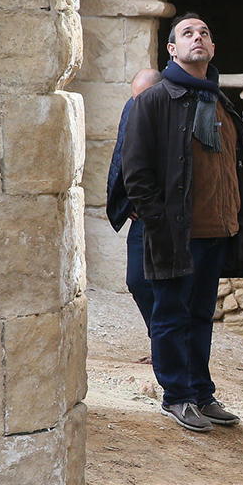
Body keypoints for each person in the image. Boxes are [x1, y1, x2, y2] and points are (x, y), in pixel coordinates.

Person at [123, 11, 243, 433]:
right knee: (170, 316)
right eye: (187, 33)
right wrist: (159, 223)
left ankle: (202, 394)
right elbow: (136, 172)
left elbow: (234, 171)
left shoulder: (221, 105)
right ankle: (177, 396)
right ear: (172, 49)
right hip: (176, 233)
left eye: (205, 32)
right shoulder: (154, 100)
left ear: (213, 48)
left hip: (216, 232)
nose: (198, 37)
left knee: (201, 316)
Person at [107, 67, 161, 333]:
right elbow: (123, 154)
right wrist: (127, 200)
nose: (137, 103)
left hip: (170, 213)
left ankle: (168, 348)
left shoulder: (174, 112)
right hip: (142, 215)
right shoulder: (134, 107)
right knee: (137, 280)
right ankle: (159, 341)